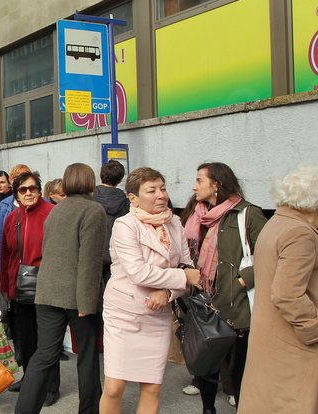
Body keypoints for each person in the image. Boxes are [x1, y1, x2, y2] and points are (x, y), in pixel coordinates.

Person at [99, 167, 202, 414]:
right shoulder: (125, 225)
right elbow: (139, 272)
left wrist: (168, 293)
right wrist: (181, 277)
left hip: (158, 316)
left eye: (163, 188)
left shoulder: (175, 223)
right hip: (124, 314)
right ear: (133, 198)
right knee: (114, 387)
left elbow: (188, 267)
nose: (160, 195)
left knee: (152, 387)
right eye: (151, 190)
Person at [15, 163, 106, 414]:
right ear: (90, 182)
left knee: (44, 355)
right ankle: (89, 410)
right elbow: (90, 260)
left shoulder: (55, 210)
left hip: (46, 292)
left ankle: (24, 410)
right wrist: (88, 305)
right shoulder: (93, 210)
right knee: (87, 358)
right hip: (78, 296)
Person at [179, 162, 266, 412]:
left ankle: (240, 402)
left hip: (234, 301)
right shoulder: (196, 214)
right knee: (207, 360)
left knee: (238, 365)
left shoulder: (247, 214)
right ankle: (208, 409)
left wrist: (242, 281)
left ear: (216, 184)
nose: (194, 186)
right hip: (203, 300)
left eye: (199, 180)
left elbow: (269, 255)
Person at [240, 163, 318, 414]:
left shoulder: (278, 223)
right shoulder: (300, 232)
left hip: (272, 336)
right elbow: (287, 294)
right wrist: (313, 330)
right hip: (292, 342)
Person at [0, 171, 60, 400]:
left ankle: (51, 387)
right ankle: (29, 379)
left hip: (46, 287)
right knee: (25, 338)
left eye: (33, 188)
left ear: (39, 190)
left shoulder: (51, 213)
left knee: (47, 341)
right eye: (23, 190)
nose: (28, 193)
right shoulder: (12, 217)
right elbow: (5, 253)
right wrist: (4, 285)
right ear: (16, 194)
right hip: (19, 288)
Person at [93, 160, 130, 284]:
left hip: (93, 252)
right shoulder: (126, 203)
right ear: (120, 180)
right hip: (116, 254)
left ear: (100, 175)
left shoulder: (90, 199)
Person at [0, 164, 32, 262]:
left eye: (23, 177)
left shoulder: (40, 203)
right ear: (11, 181)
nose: (19, 181)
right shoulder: (4, 204)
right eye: (15, 178)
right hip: (12, 258)